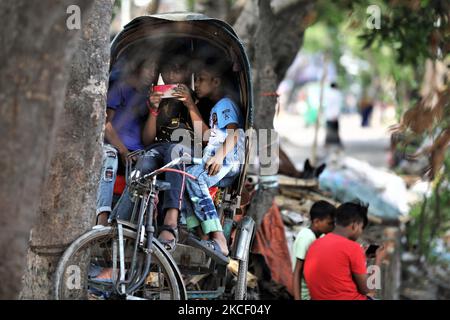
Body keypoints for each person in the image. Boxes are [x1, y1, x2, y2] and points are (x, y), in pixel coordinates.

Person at [111, 44, 205, 252]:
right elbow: (147, 140)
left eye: (178, 70)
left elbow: (204, 136)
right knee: (144, 162)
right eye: (168, 69)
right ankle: (122, 222)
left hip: (186, 151)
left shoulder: (197, 98)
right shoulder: (156, 98)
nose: (172, 75)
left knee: (173, 152)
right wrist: (154, 110)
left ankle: (170, 223)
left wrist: (190, 104)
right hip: (158, 149)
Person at [181, 59, 245, 264]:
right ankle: (202, 234)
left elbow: (234, 132)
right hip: (218, 157)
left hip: (228, 158)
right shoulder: (216, 108)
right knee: (182, 178)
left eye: (201, 79)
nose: (196, 84)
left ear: (216, 82)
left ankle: (217, 236)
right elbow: (207, 135)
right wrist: (190, 104)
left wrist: (219, 156)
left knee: (193, 178)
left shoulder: (225, 103)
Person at [95, 57, 158, 226]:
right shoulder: (120, 87)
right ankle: (102, 216)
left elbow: (148, 138)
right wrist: (123, 151)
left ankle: (119, 220)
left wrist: (154, 109)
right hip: (115, 147)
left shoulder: (148, 97)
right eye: (149, 68)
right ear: (138, 67)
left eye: (154, 70)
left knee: (147, 167)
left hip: (137, 151)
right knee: (110, 157)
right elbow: (106, 124)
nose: (152, 74)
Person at [303, 202, 387, 300]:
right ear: (355, 225)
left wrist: (362, 257)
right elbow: (368, 290)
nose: (360, 232)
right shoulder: (353, 248)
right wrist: (378, 261)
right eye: (361, 228)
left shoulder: (315, 244)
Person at [292, 200, 335, 300]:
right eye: (330, 223)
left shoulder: (320, 236)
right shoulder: (307, 237)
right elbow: (297, 271)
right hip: (304, 295)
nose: (332, 227)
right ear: (316, 222)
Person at [323, 82, 344, 148]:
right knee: (334, 129)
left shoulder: (327, 94)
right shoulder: (337, 94)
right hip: (334, 114)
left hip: (328, 114)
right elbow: (337, 105)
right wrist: (336, 114)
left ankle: (328, 143)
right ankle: (335, 143)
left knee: (329, 129)